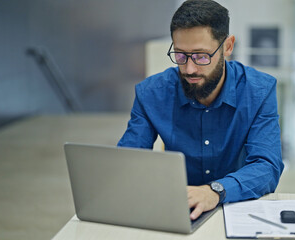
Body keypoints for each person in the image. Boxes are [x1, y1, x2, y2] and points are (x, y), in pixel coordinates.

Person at [118, 0, 284, 220]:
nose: (189, 68)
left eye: (201, 56)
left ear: (228, 46)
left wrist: (215, 191)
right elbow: (127, 163)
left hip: (237, 207)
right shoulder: (151, 93)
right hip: (177, 210)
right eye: (180, 55)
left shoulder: (259, 91)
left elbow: (267, 166)